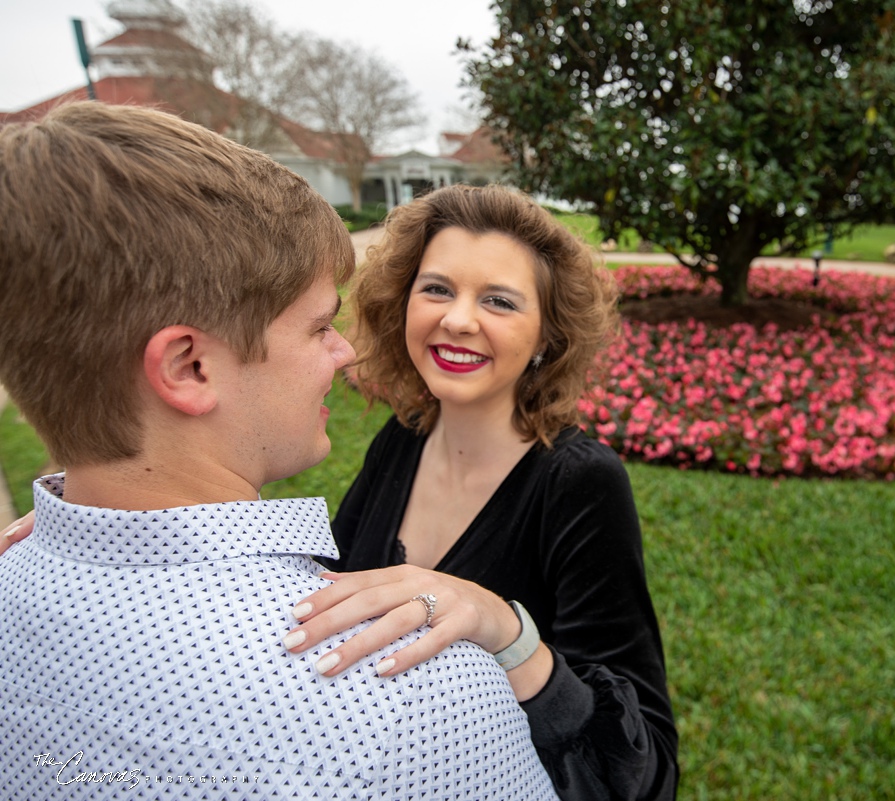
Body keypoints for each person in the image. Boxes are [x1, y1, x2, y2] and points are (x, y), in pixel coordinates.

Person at [0, 103, 557, 800]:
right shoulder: (411, 692)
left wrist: (81, 508)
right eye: (320, 324)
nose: (344, 349)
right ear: (189, 368)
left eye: (500, 300)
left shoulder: (12, 576)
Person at [279, 185, 679, 800]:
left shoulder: (580, 484)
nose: (458, 319)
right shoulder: (404, 437)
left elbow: (644, 770)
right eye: (437, 289)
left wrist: (507, 631)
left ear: (548, 335)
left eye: (498, 300)